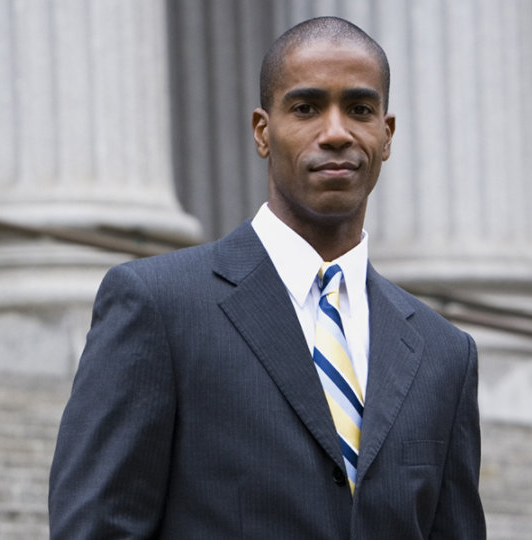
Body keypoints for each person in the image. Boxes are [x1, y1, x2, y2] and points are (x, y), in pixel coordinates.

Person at [49, 16, 485, 539]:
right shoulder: (158, 306)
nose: (336, 132)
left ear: (386, 135)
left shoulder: (445, 353)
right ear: (263, 131)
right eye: (306, 108)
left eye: (360, 109)